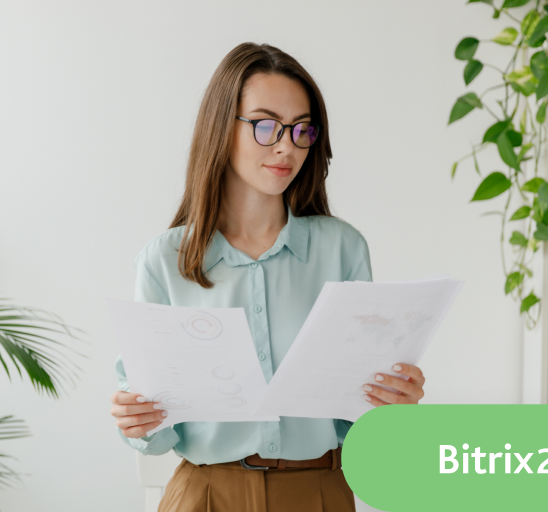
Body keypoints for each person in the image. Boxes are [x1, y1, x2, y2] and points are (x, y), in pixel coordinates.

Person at [109, 42, 426, 512]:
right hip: (205, 494)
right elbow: (155, 436)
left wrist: (391, 407)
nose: (286, 146)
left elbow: (358, 424)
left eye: (301, 129)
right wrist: (136, 420)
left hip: (319, 492)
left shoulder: (342, 249)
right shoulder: (164, 260)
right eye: (265, 125)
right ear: (222, 126)